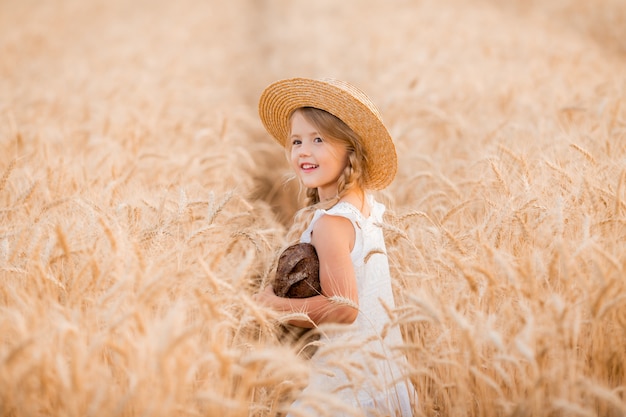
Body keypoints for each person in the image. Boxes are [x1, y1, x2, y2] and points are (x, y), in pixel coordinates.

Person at [254, 77, 416, 416]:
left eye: (319, 139)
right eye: (296, 141)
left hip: (345, 388)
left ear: (350, 150)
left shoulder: (331, 223)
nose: (304, 151)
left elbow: (343, 308)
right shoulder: (366, 207)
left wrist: (268, 305)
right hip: (382, 376)